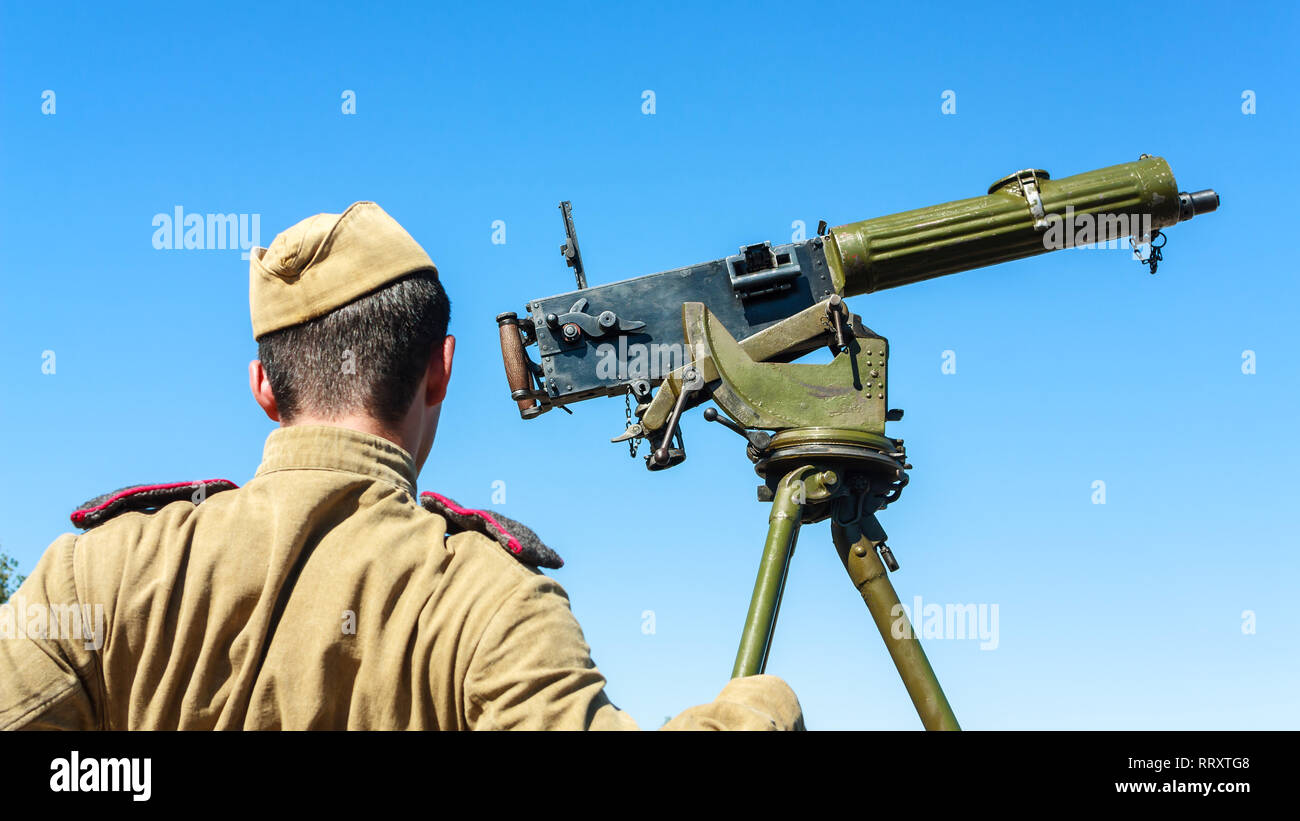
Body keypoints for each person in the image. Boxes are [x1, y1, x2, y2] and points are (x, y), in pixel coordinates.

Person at [0, 201, 803, 730]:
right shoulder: (488, 604)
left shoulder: (96, 573)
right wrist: (760, 710)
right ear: (440, 370)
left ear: (262, 387)